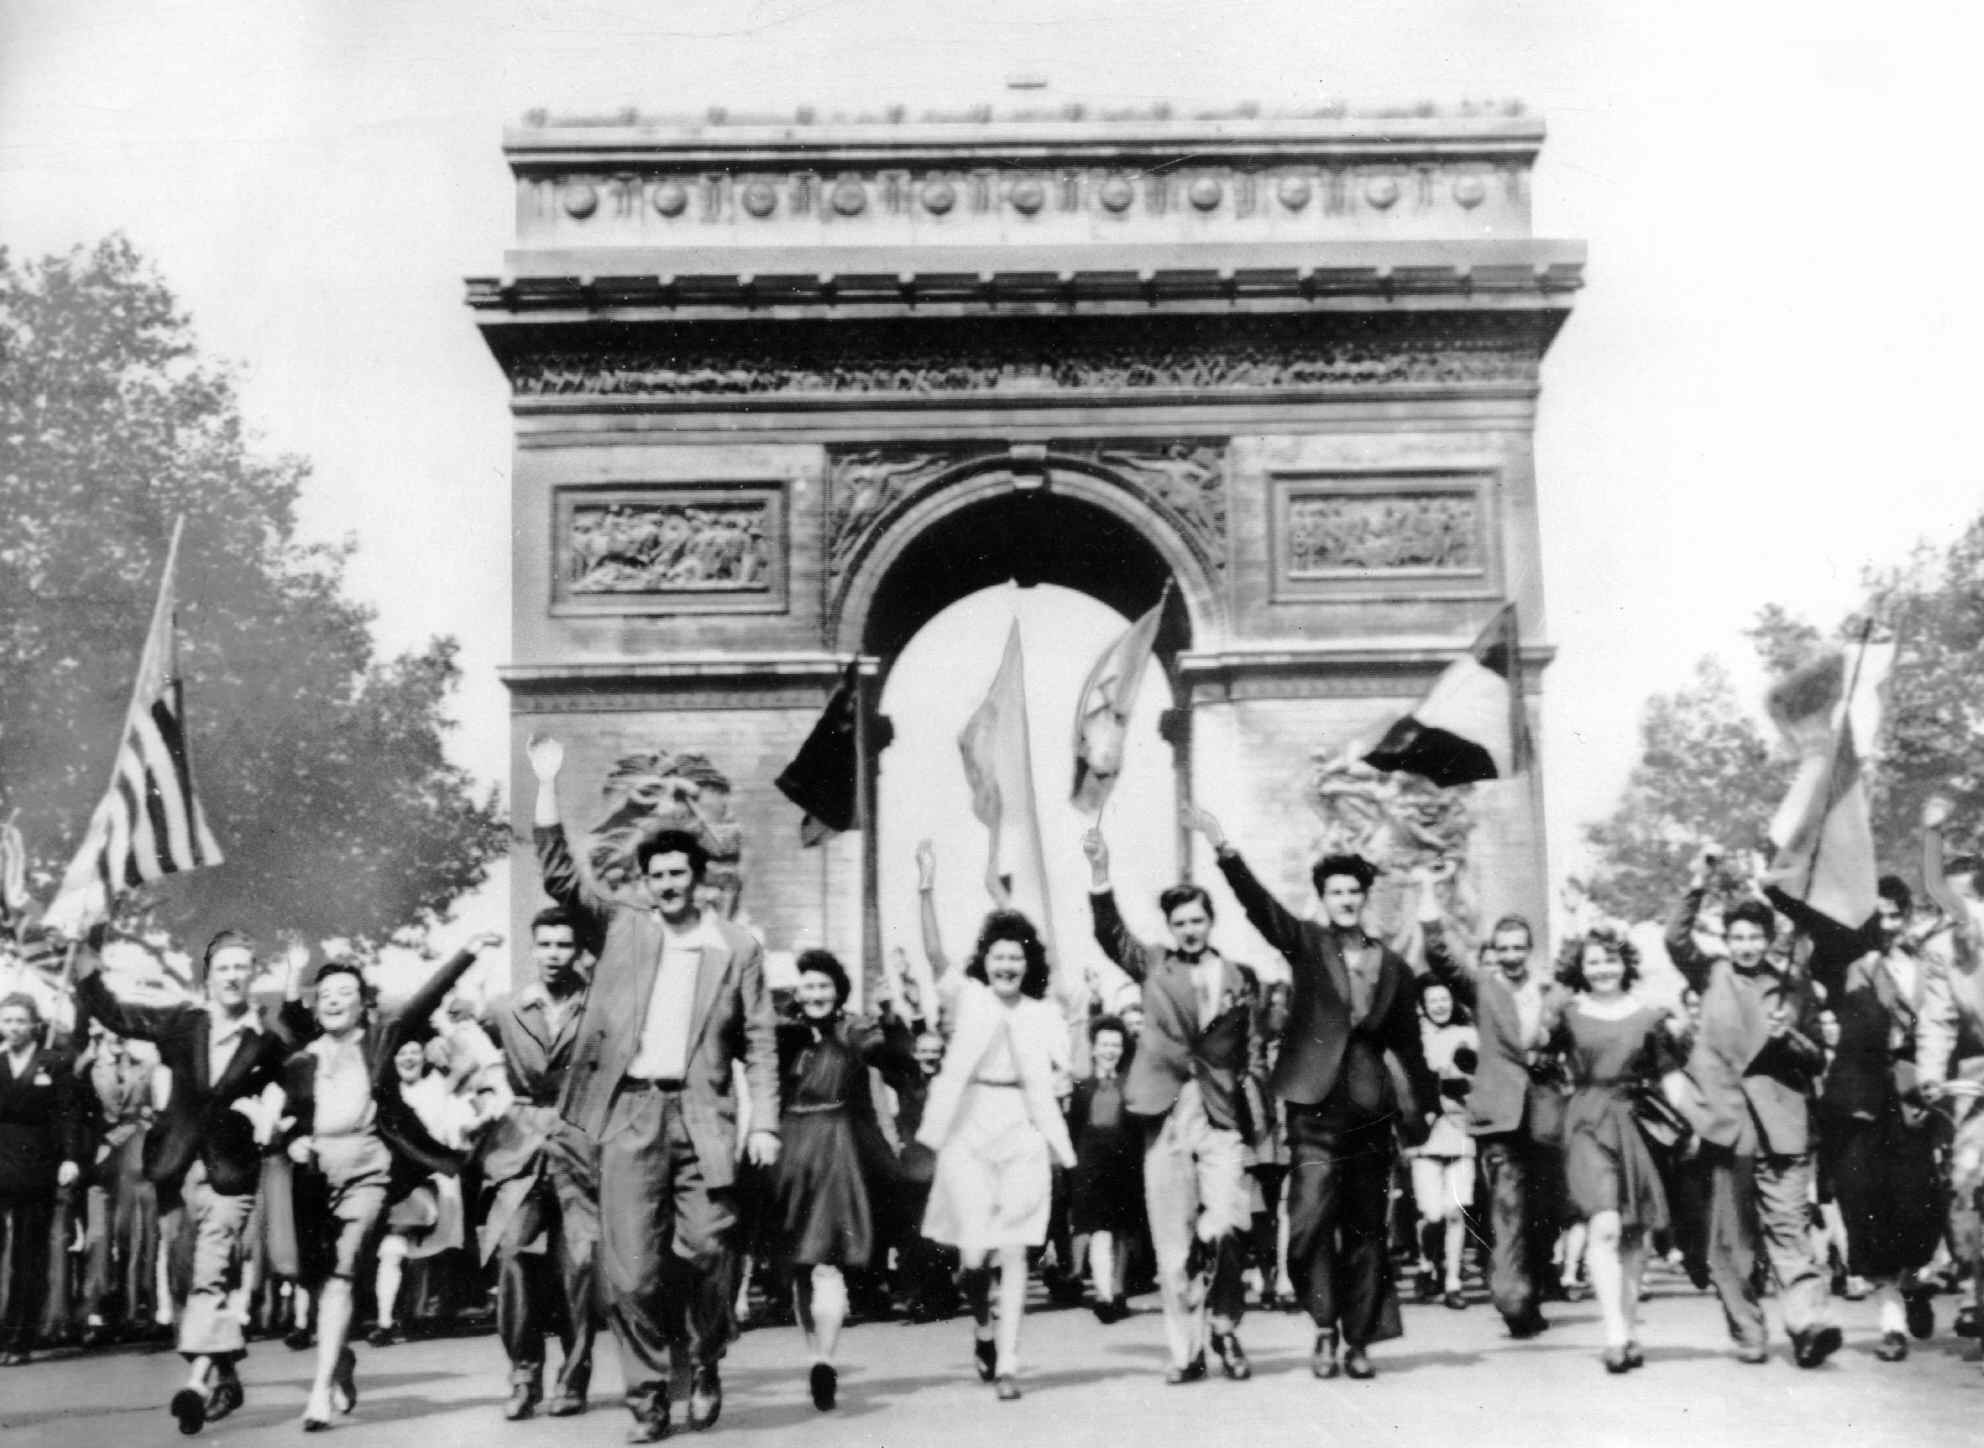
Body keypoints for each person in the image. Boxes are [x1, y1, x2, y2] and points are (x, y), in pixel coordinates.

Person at [528, 733, 780, 1445]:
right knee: (632, 1275)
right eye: (656, 875)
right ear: (643, 881)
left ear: (698, 877)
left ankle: (703, 1359)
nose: (668, 884)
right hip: (630, 1115)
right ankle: (647, 1402)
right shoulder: (621, 927)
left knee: (706, 1251)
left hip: (703, 1117)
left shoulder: (736, 949)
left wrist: (762, 1121)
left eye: (678, 873)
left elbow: (759, 1041)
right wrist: (546, 783)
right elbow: (558, 876)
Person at [1192, 808, 1438, 1382]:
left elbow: (1411, 1042)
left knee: (1366, 1230)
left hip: (1371, 1112)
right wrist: (1222, 845)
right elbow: (1259, 905)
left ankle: (1354, 1341)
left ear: (1366, 896)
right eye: (1336, 891)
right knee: (1304, 1228)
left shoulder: (1392, 965)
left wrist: (1422, 1109)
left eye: (1355, 891)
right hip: (1314, 1109)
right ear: (1323, 898)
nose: (1347, 899)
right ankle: (1323, 1321)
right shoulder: (1306, 944)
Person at [72, 926, 299, 1435]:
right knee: (180, 1278)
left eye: (243, 967)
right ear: (209, 977)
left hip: (231, 1173)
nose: (234, 976)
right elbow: (118, 1015)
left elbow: (296, 1082)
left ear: (252, 975)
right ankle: (227, 1377)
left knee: (209, 1275)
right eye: (224, 967)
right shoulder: (182, 1024)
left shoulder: (263, 1042)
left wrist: (272, 1116)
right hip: (176, 1168)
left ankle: (196, 1385)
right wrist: (87, 958)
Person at [278, 935, 500, 1431]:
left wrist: (467, 951)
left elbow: (426, 994)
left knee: (341, 1272)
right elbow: (291, 1114)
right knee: (317, 1283)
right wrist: (292, 1139)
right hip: (316, 1174)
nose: (334, 1000)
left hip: (370, 1167)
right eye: (326, 993)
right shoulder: (300, 1058)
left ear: (362, 1005)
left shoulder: (380, 1040)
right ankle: (340, 1363)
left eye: (345, 992)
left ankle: (317, 1393)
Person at [1083, 823, 1260, 1384]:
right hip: (1164, 1113)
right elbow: (1110, 933)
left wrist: (1251, 1102)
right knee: (1173, 1244)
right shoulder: (1153, 964)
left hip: (1220, 1114)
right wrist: (1100, 871)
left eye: (1197, 921)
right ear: (1170, 927)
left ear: (1211, 922)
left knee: (1228, 1223)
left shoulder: (1239, 977)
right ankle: (1186, 1352)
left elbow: (1251, 1051)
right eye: (1179, 923)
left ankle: (1225, 1323)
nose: (1188, 930)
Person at [912, 841, 1077, 1402]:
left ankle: (1008, 1360)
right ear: (984, 960)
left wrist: (1063, 1083)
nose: (1006, 966)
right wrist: (926, 889)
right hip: (968, 1128)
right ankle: (981, 1328)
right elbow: (935, 957)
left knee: (1014, 1251)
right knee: (973, 1258)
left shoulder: (1043, 1013)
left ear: (1028, 964)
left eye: (1017, 957)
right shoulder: (969, 998)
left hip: (1024, 1130)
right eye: (998, 956)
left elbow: (1067, 1068)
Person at [1665, 848, 1839, 1368]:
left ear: (1769, 940)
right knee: (1733, 1243)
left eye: (1755, 937)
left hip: (1782, 1126)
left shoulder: (1792, 986)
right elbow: (1675, 939)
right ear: (1727, 940)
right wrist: (1699, 881)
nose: (1746, 946)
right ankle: (1748, 1330)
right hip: (1726, 1125)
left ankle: (1807, 1324)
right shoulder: (1710, 974)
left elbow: (1815, 1058)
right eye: (1737, 937)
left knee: (1789, 1230)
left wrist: (1791, 1040)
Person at [1773, 870, 1944, 1360]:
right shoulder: (1844, 963)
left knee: (1918, 1209)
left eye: (1895, 916)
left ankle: (1914, 1283)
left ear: (1906, 917)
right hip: (1857, 1106)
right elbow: (1812, 920)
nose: (1887, 925)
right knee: (1869, 1213)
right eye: (1878, 917)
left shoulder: (1926, 965)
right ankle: (1891, 1322)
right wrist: (1781, 888)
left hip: (1913, 1101)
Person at [1419, 881, 1566, 1338]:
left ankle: (1532, 1287)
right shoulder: (1483, 989)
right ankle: (1510, 1296)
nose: (1511, 955)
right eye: (1502, 948)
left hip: (1544, 1117)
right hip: (1499, 1118)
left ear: (1530, 949)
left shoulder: (1551, 992)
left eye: (1519, 947)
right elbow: (1442, 957)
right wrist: (1428, 900)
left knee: (1545, 1213)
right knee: (1506, 1207)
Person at [769, 948, 912, 1412]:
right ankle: (814, 1355)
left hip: (834, 1151)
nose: (815, 994)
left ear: (837, 992)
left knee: (826, 1260)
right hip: (789, 1152)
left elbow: (890, 1059)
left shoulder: (854, 1029)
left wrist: (891, 1014)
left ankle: (825, 1359)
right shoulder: (781, 1032)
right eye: (808, 986)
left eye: (823, 986)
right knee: (798, 1267)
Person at [475, 904, 598, 1421]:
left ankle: (573, 1378)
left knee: (581, 1262)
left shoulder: (597, 1005)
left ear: (578, 950)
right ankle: (524, 1374)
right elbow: (463, 1054)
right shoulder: (505, 1009)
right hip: (519, 1145)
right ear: (532, 948)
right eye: (544, 944)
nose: (553, 955)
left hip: (578, 1140)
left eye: (563, 945)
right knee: (514, 1254)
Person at [1550, 928, 1685, 1372]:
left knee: (1633, 1232)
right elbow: (1534, 1053)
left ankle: (1628, 1327)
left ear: (1625, 963)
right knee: (1604, 1225)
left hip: (1634, 1123)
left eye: (1610, 959)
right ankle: (1613, 1333)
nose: (1603, 969)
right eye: (1593, 962)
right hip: (1587, 1122)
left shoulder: (1649, 1017)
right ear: (1580, 969)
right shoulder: (1567, 1014)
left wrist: (1699, 1119)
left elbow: (1670, 1076)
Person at [1918, 796, 1984, 1350]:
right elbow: (1936, 1020)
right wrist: (1931, 1076)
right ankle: (1971, 1287)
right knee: (1965, 1181)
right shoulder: (1946, 950)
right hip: (1977, 1077)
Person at [0, 992, 86, 1365]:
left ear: (35, 1024)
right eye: (7, 1020)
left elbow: (67, 1115)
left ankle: (20, 1337)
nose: (13, 1028)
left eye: (20, 1021)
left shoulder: (53, 1063)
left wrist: (69, 1158)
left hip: (36, 1166)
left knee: (29, 1255)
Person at [1064, 1014, 1140, 1326]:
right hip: (1090, 1164)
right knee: (1097, 1229)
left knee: (1121, 1229)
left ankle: (1118, 1289)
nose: (1110, 1050)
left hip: (1123, 1162)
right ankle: (1104, 1294)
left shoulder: (1130, 1084)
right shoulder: (1082, 1087)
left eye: (1116, 1044)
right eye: (1104, 1044)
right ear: (1094, 1048)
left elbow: (1135, 1129)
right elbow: (1075, 1129)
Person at [1407, 977, 1477, 1310]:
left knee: (1455, 1210)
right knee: (1431, 1213)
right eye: (1432, 1000)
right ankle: (1425, 1263)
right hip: (1423, 1132)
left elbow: (1481, 1077)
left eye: (1444, 999)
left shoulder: (1468, 1035)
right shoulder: (1411, 1038)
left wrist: (1457, 1077)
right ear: (1422, 1004)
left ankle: (1452, 1281)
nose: (1439, 1005)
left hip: (1460, 1128)